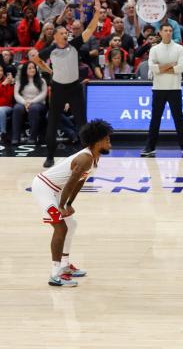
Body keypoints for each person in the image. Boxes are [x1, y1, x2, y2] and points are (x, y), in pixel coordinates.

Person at [30, 119, 112, 287]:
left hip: (56, 191)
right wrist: (61, 206)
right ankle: (55, 274)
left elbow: (79, 182)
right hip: (44, 188)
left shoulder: (94, 157)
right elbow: (70, 183)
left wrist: (69, 203)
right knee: (61, 227)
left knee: (71, 224)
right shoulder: (85, 158)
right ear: (98, 142)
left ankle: (65, 266)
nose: (110, 142)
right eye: (107, 139)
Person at [32, 0, 102, 168]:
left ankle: (89, 157)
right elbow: (36, 58)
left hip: (75, 88)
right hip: (58, 89)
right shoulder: (51, 49)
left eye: (66, 32)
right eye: (62, 32)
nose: (65, 34)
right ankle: (49, 157)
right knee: (53, 122)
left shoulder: (75, 45)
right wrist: (49, 71)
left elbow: (90, 29)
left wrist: (97, 12)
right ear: (55, 36)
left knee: (82, 123)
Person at [141, 23, 183, 157]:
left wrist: (161, 68)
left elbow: (180, 68)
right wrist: (170, 66)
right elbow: (153, 69)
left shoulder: (180, 49)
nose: (168, 32)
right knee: (155, 119)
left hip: (175, 88)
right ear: (160, 33)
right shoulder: (154, 49)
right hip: (158, 89)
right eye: (165, 30)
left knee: (179, 119)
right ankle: (150, 147)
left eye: (170, 30)